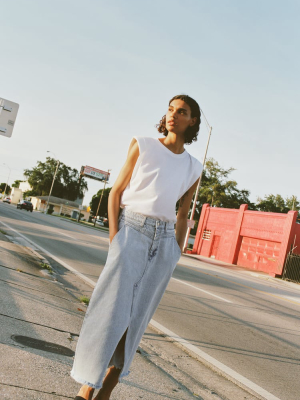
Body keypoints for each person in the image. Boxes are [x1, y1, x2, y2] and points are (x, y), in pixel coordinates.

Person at [71, 94, 203, 400]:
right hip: (132, 231)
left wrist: (176, 253)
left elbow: (183, 215)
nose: (173, 115)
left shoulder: (193, 167)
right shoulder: (143, 145)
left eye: (181, 112)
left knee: (137, 320)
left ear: (192, 121)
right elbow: (116, 192)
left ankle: (105, 393)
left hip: (165, 241)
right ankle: (85, 390)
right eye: (170, 109)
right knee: (110, 312)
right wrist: (115, 238)